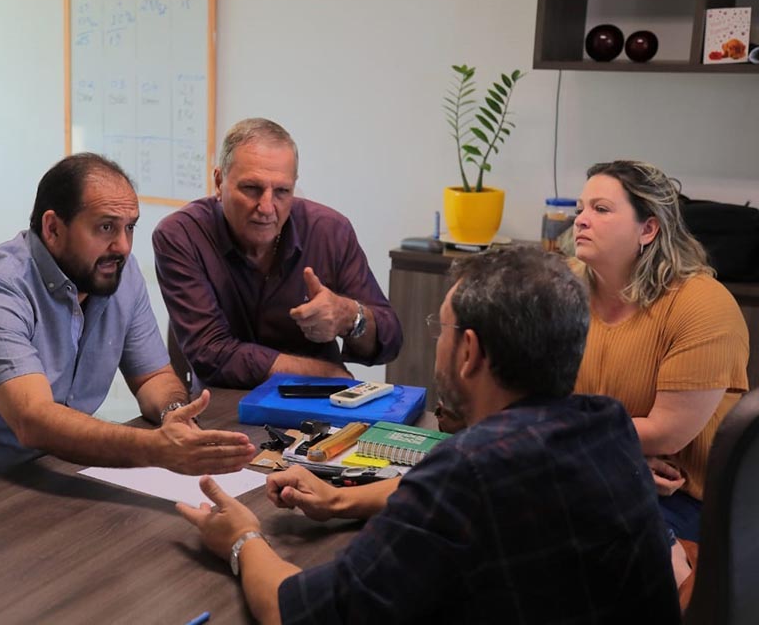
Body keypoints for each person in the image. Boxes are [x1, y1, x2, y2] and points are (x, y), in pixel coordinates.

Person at [176, 246, 680, 624]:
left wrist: (241, 539)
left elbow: (297, 611)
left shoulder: (465, 474)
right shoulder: (607, 427)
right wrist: (339, 502)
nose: (438, 344)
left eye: (441, 330)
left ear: (470, 352)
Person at [0, 153, 254, 509]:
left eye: (130, 227)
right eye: (106, 227)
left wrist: (174, 415)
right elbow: (33, 420)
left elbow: (153, 377)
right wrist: (157, 449)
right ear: (53, 228)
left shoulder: (118, 276)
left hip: (49, 472)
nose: (124, 247)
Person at [571, 160, 749, 545]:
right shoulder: (563, 285)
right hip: (586, 465)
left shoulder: (702, 305)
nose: (581, 220)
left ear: (648, 228)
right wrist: (610, 456)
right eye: (580, 209)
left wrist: (558, 436)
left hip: (682, 496)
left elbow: (665, 435)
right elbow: (529, 395)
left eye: (600, 209)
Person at [152, 118, 402, 388]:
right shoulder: (181, 235)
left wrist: (349, 316)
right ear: (219, 181)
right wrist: (323, 374)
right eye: (251, 188)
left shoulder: (329, 231)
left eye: (282, 191)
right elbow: (212, 355)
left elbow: (390, 341)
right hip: (223, 406)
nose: (267, 207)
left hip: (315, 405)